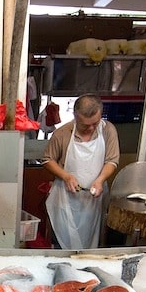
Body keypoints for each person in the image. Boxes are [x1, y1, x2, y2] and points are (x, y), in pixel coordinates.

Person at [41, 94, 120, 249]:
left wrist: (100, 180)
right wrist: (66, 176)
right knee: (63, 244)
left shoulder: (108, 130)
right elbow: (47, 160)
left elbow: (112, 160)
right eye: (85, 125)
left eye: (95, 123)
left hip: (94, 200)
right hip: (65, 198)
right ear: (75, 116)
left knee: (91, 244)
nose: (90, 128)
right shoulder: (62, 133)